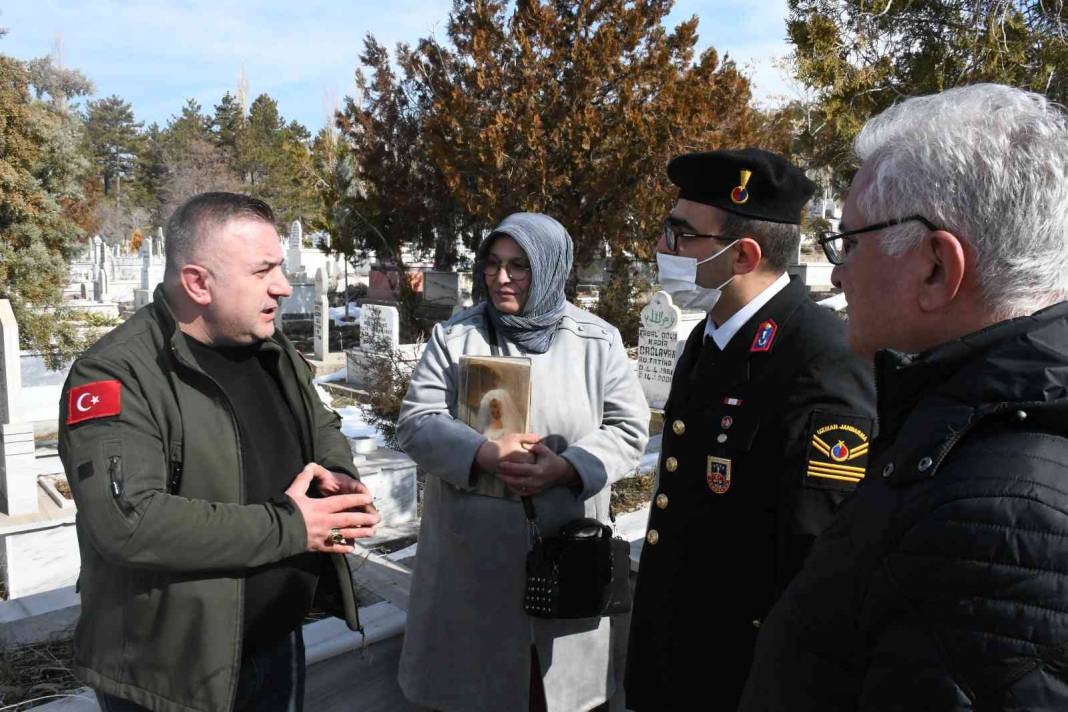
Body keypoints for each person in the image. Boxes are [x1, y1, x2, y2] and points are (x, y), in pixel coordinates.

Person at [739, 84, 1068, 711]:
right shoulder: (967, 438)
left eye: (851, 243)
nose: (837, 272)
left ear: (936, 269)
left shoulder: (1000, 515)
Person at [58, 192, 379, 712]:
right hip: (174, 672)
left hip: (275, 642)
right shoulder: (117, 373)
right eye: (263, 271)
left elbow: (320, 422)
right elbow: (129, 520)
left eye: (281, 266)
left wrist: (336, 481)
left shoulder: (270, 348)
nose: (282, 285)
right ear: (197, 283)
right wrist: (294, 528)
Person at [624, 148, 876, 711]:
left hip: (743, 669)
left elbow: (816, 550)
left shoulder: (817, 355)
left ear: (743, 255)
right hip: (677, 650)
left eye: (681, 234)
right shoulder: (710, 335)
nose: (662, 248)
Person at [396, 212, 649, 712]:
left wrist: (567, 466)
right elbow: (416, 421)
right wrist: (485, 453)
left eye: (520, 266)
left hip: (564, 554)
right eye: (493, 263)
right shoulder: (456, 338)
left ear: (553, 269)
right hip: (471, 563)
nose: (502, 277)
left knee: (550, 694)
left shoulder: (597, 342)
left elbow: (628, 428)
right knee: (475, 691)